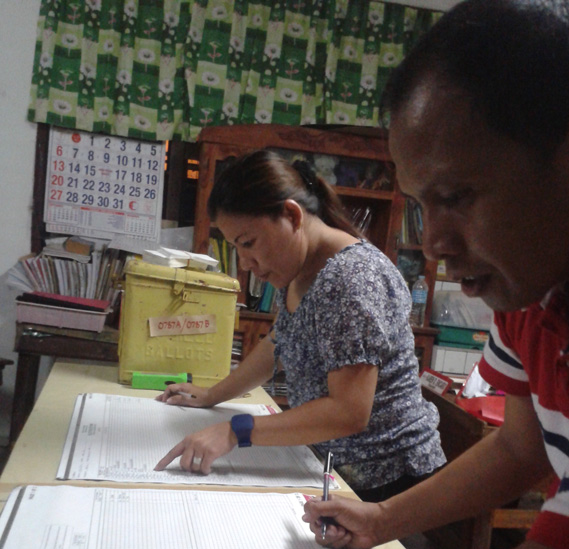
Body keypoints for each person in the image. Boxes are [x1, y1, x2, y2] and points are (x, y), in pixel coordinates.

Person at [128, 1, 569, 549]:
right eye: (423, 203)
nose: (433, 245)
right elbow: (522, 447)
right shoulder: (530, 293)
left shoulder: (361, 277)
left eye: (460, 196)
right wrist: (379, 518)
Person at [154, 149, 445, 502]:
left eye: (248, 243)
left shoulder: (350, 279)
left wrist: (237, 430)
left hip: (388, 483)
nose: (245, 263)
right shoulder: (300, 270)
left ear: (291, 215)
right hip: (334, 468)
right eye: (236, 248)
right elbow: (280, 340)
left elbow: (348, 412)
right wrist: (215, 394)